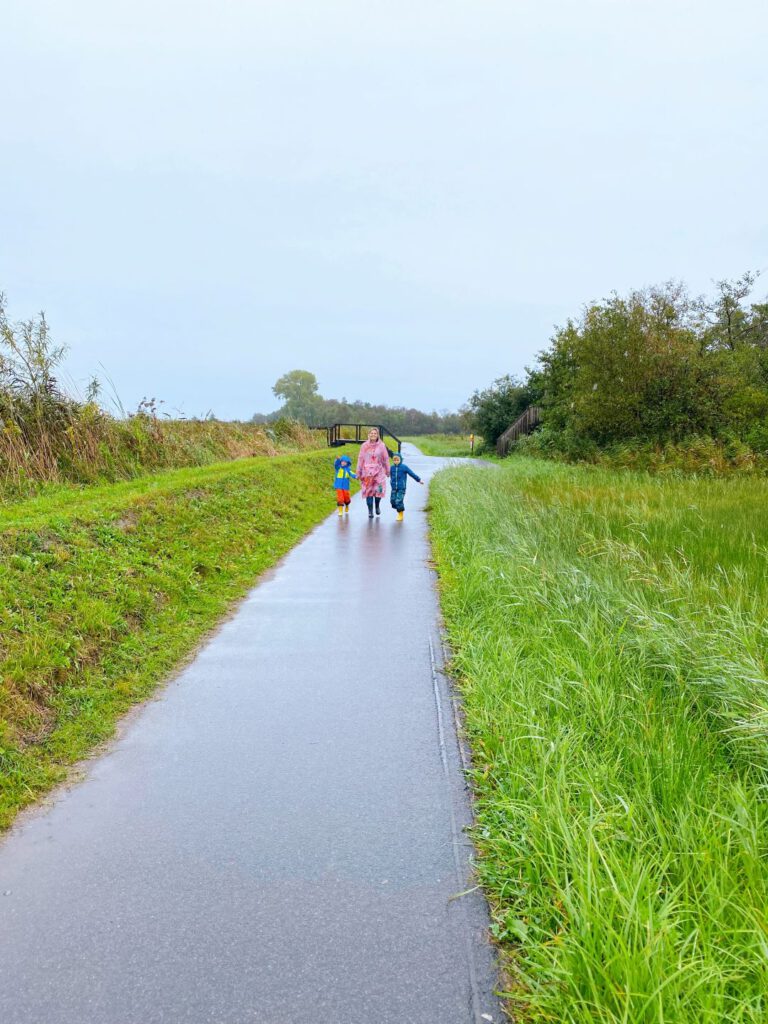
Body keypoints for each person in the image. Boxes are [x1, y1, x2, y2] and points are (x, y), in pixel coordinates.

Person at [356, 427, 390, 518]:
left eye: (375, 433)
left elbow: (386, 458)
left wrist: (388, 470)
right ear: (369, 434)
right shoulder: (364, 446)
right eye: (371, 433)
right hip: (367, 473)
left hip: (379, 472)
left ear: (377, 435)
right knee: (369, 492)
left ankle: (377, 506)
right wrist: (358, 472)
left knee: (379, 490)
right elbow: (360, 459)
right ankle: (370, 511)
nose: (373, 435)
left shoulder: (382, 446)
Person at [389, 451, 424, 521]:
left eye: (397, 460)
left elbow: (412, 474)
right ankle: (399, 508)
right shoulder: (392, 468)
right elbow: (388, 474)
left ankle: (400, 514)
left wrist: (419, 480)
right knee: (392, 501)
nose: (396, 461)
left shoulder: (404, 467)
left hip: (401, 488)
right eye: (394, 460)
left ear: (400, 460)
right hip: (393, 488)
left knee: (398, 501)